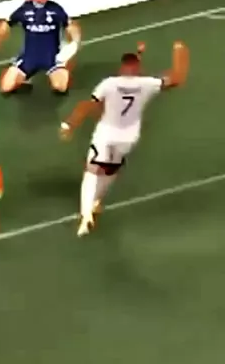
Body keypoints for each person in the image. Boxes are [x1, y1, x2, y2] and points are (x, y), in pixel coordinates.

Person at [60, 41, 190, 237]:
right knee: (110, 170)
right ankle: (96, 202)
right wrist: (180, 53)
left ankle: (86, 215)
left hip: (106, 133)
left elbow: (87, 105)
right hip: (128, 136)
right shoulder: (147, 84)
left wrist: (70, 124)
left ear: (121, 67)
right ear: (138, 68)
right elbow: (177, 77)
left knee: (92, 170)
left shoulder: (109, 83)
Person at [0, 0, 81, 94]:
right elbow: (4, 27)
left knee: (60, 87)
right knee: (6, 87)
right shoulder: (24, 10)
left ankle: (63, 68)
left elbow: (71, 26)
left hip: (52, 57)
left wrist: (74, 42)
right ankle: (26, 75)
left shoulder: (55, 9)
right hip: (29, 57)